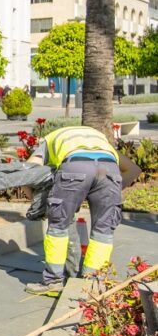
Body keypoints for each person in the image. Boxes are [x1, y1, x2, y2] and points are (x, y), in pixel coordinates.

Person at [24, 126, 124, 296]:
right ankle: (91, 284)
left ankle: (53, 281)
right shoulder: (97, 137)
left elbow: (31, 168)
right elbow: (125, 167)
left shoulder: (50, 138)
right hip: (110, 169)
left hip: (76, 166)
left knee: (58, 225)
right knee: (104, 230)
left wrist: (31, 196)